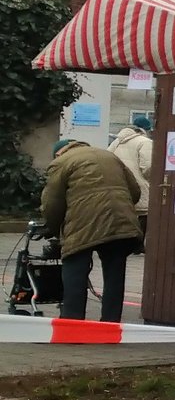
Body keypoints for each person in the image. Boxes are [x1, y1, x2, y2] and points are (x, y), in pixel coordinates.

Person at [41, 138, 144, 322]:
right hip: (120, 219)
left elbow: (52, 204)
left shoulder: (61, 163)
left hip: (83, 222)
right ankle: (111, 323)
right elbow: (135, 191)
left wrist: (55, 229)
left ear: (59, 153)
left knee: (74, 270)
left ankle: (72, 323)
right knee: (115, 274)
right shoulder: (109, 156)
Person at [108, 116, 154, 247]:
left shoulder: (117, 141)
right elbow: (148, 166)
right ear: (145, 130)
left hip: (119, 182)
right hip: (139, 183)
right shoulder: (145, 142)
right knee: (144, 212)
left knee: (123, 212)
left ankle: (120, 241)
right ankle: (138, 245)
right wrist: (150, 180)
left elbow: (108, 157)